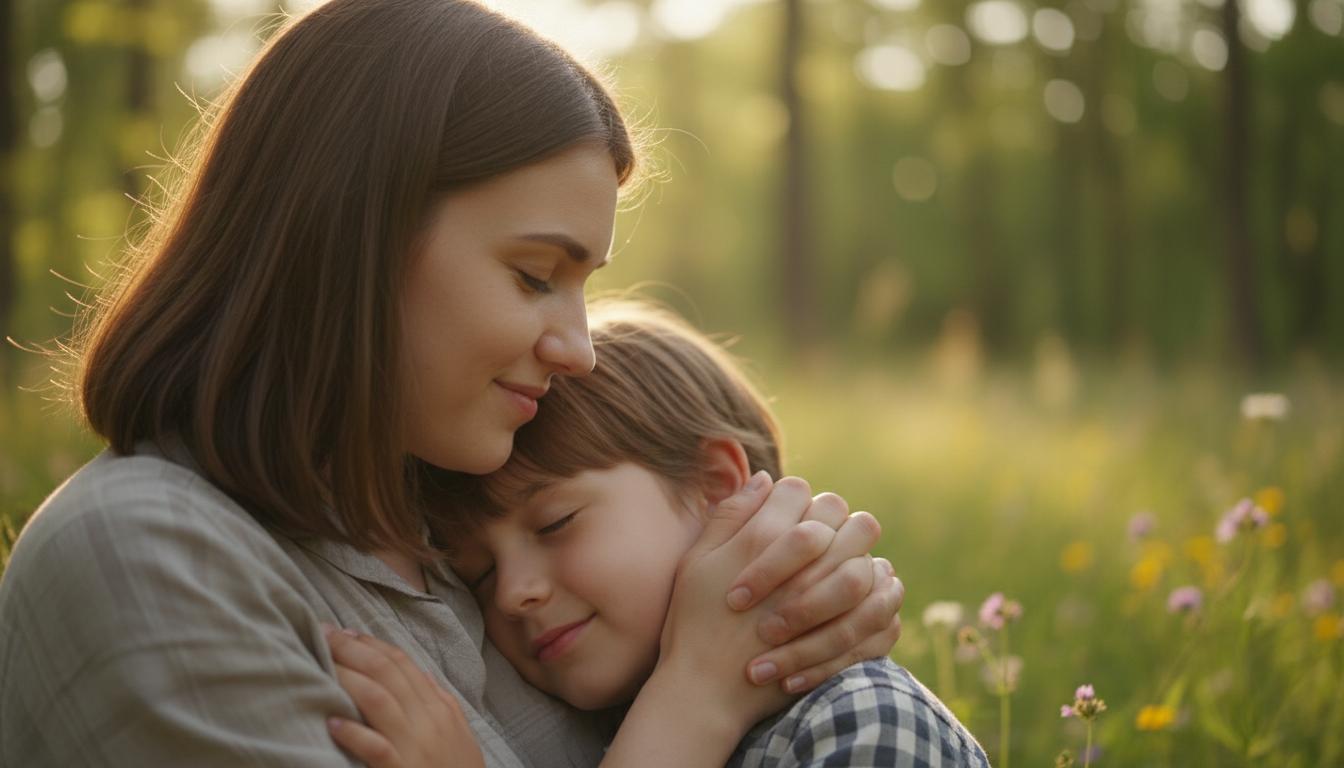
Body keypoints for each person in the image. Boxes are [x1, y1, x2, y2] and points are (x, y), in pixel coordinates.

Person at [0, 2, 905, 767]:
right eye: (534, 274)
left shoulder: (446, 534)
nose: (579, 350)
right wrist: (700, 696)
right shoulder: (152, 556)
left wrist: (793, 625)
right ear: (357, 239)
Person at [324, 301, 989, 767]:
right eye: (481, 575)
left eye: (556, 523)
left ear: (715, 484)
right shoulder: (589, 736)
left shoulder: (861, 725)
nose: (513, 595)